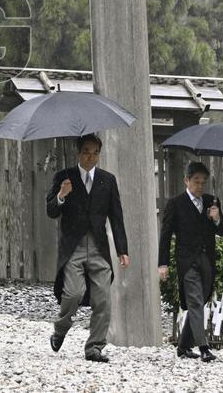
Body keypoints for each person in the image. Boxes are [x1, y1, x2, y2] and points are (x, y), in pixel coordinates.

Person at [46, 133, 129, 363]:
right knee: (73, 294)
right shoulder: (64, 177)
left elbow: (116, 216)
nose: (91, 157)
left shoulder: (107, 180)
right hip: (73, 247)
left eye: (95, 153)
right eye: (86, 152)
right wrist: (62, 195)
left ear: (99, 155)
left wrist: (122, 249)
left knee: (103, 299)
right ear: (78, 153)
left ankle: (94, 347)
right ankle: (61, 329)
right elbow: (51, 211)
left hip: (99, 248)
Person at [158, 161, 223, 362]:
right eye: (196, 181)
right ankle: (204, 347)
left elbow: (222, 231)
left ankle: (183, 346)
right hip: (187, 261)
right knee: (195, 301)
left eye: (203, 182)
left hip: (207, 259)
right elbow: (165, 235)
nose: (200, 186)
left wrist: (216, 218)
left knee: (201, 300)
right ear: (186, 180)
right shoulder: (175, 203)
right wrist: (163, 264)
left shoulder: (211, 201)